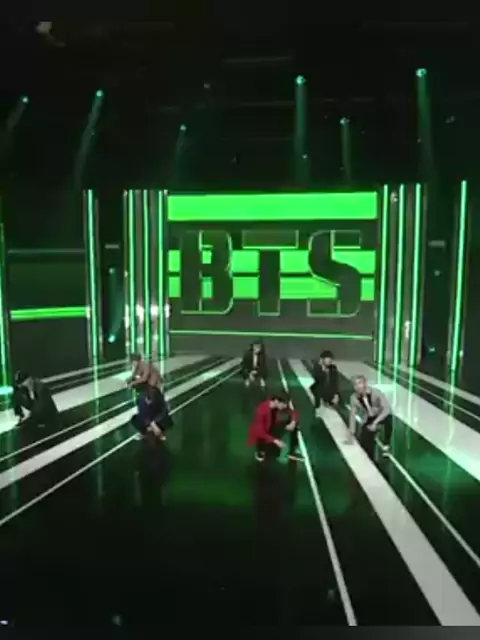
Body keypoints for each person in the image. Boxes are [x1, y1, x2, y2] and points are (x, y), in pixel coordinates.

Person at [347, 375, 392, 458]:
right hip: (368, 417)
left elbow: (387, 409)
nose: (357, 386)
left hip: (381, 415)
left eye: (359, 383)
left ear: (365, 383)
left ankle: (386, 443)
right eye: (355, 384)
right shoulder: (353, 398)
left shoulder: (376, 393)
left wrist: (375, 423)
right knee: (364, 442)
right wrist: (351, 433)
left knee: (389, 419)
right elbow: (352, 415)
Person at [247, 395, 302, 462]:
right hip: (267, 432)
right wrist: (276, 441)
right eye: (284, 404)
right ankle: (261, 450)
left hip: (273, 428)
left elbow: (294, 413)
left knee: (292, 423)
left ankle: (292, 451)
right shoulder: (262, 411)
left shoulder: (275, 407)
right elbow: (262, 433)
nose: (285, 406)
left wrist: (293, 422)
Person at [310, 350, 340, 417]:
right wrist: (323, 369)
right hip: (319, 389)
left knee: (337, 402)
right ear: (322, 359)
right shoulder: (317, 367)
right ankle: (318, 406)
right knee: (318, 390)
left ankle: (328, 401)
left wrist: (336, 394)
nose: (330, 361)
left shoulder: (333, 368)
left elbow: (335, 382)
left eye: (331, 359)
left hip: (329, 391)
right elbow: (318, 379)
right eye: (328, 359)